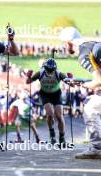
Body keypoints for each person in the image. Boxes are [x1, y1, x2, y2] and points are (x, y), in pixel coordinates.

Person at [60, 26, 101, 159]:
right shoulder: (92, 45)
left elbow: (99, 81)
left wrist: (82, 84)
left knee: (89, 107)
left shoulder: (83, 55)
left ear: (68, 42)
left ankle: (96, 148)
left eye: (63, 44)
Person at [26, 58, 68, 146]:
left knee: (59, 116)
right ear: (44, 68)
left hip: (56, 94)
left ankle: (62, 137)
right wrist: (29, 76)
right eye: (48, 70)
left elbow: (70, 82)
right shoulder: (40, 73)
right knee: (50, 114)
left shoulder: (58, 73)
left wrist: (70, 79)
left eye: (51, 70)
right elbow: (28, 82)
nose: (49, 72)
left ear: (55, 69)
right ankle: (52, 133)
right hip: (45, 94)